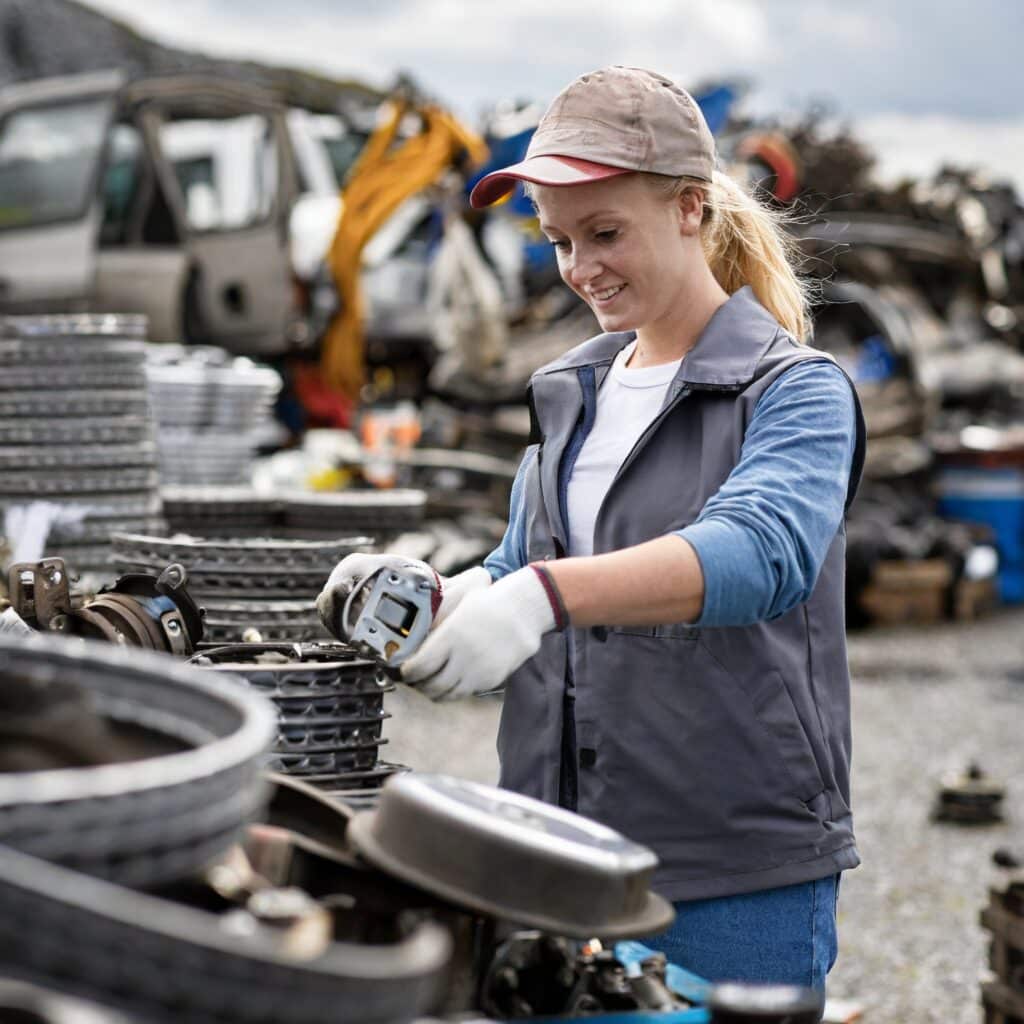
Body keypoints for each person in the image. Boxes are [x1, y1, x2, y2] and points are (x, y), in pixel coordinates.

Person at [318, 65, 865, 994]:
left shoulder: (797, 392)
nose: (579, 268)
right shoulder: (575, 391)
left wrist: (541, 598)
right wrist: (452, 597)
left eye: (605, 232)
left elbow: (761, 550)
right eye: (558, 240)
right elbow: (524, 561)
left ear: (692, 207)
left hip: (729, 869)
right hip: (553, 854)